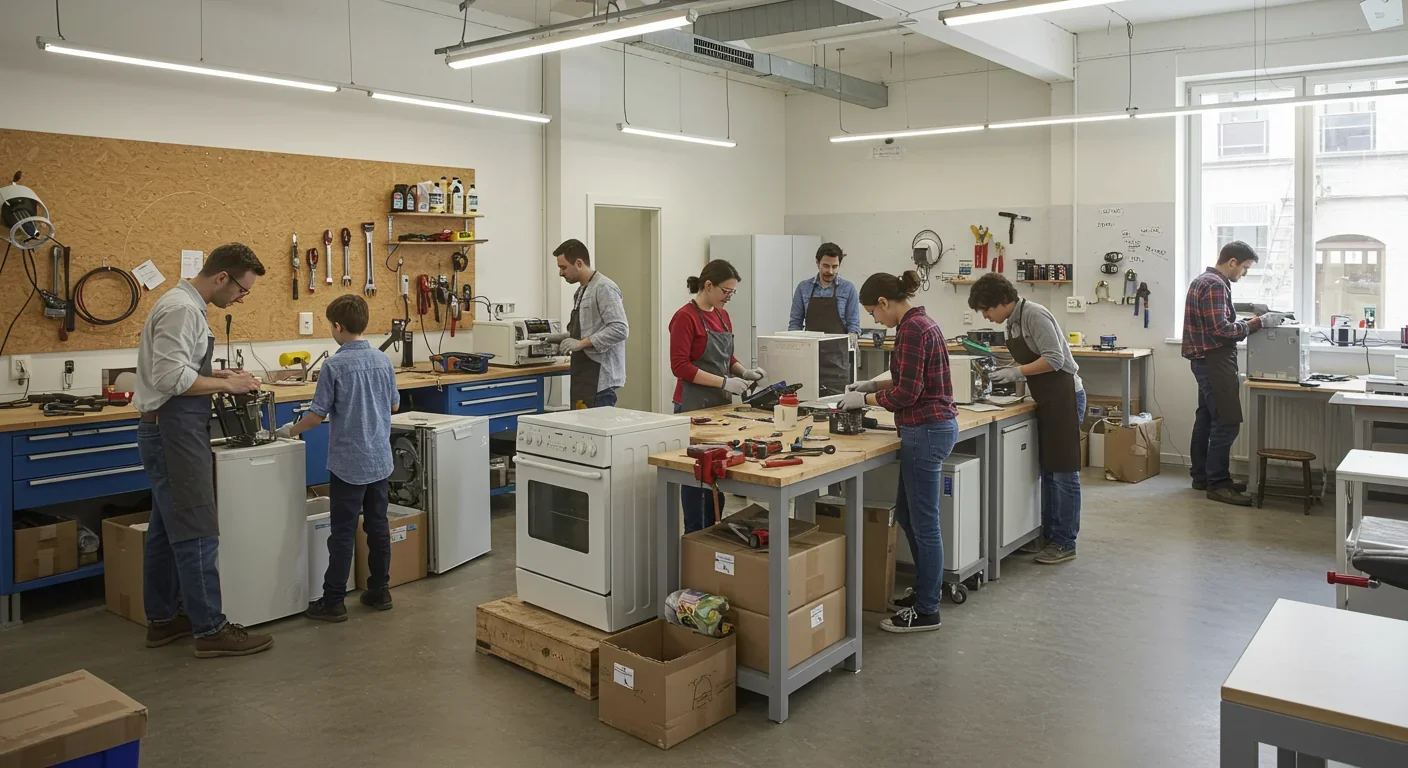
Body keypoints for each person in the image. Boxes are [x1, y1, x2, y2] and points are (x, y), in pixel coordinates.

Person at [133, 242, 274, 658]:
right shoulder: (181, 309)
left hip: (173, 428)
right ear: (221, 277)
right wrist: (228, 384)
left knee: (165, 529)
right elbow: (169, 378)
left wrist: (221, 375)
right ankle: (210, 629)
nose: (241, 298)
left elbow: (182, 368)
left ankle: (164, 619)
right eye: (241, 290)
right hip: (172, 431)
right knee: (196, 528)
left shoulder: (187, 306)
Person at [840, 270, 957, 633]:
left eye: (873, 313)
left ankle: (927, 609)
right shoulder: (921, 324)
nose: (875, 320)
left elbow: (908, 392)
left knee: (925, 525)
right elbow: (908, 375)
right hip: (929, 428)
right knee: (908, 517)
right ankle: (925, 592)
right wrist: (872, 384)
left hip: (925, 430)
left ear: (884, 303)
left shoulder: (911, 330)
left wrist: (865, 400)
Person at [277, 295, 400, 618]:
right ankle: (380, 590)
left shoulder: (334, 366)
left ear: (337, 326)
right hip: (379, 460)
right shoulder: (383, 360)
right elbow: (394, 405)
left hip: (349, 464)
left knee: (342, 533)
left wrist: (289, 430)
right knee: (378, 527)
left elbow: (316, 416)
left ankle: (333, 601)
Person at [967, 273, 1084, 565]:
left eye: (986, 309)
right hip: (1045, 398)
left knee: (1064, 473)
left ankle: (1065, 541)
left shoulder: (1034, 314)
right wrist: (1007, 380)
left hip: (1065, 396)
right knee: (1048, 472)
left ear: (1001, 301)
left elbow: (1054, 359)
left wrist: (1016, 373)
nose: (985, 316)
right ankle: (1048, 535)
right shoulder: (1012, 323)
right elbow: (1026, 361)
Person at [1183, 241, 1288, 506]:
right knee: (1227, 422)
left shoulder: (1202, 280)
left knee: (1206, 418)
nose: (1244, 273)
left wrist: (1250, 309)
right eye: (1245, 268)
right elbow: (1221, 330)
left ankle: (1202, 477)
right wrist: (1258, 323)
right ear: (1232, 262)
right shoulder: (1216, 285)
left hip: (1205, 361)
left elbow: (1215, 318)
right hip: (1215, 361)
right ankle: (1218, 484)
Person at [669, 259, 766, 532]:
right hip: (692, 406)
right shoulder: (685, 317)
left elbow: (727, 357)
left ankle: (713, 536)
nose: (729, 297)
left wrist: (744, 372)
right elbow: (680, 366)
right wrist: (724, 381)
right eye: (726, 291)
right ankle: (695, 537)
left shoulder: (722, 315)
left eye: (733, 292)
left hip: (719, 407)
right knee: (696, 481)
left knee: (717, 478)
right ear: (708, 285)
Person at [543, 239, 629, 408]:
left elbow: (619, 329)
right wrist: (559, 338)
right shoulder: (581, 291)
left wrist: (581, 343)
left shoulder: (604, 288)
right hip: (583, 377)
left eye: (563, 267)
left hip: (600, 382)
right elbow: (586, 330)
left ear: (579, 263)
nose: (560, 273)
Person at [789, 242, 861, 391]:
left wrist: (851, 347)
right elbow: (795, 323)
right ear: (817, 263)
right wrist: (794, 352)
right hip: (809, 357)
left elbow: (853, 325)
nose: (830, 271)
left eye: (835, 266)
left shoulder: (848, 288)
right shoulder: (803, 288)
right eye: (826, 266)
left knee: (837, 399)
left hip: (838, 360)